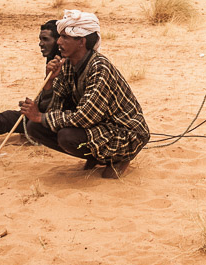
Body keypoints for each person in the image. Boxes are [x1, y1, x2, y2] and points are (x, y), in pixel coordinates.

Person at [20, 10, 149, 179]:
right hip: (99, 127)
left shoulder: (99, 67)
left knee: (66, 136)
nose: (58, 42)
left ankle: (120, 158)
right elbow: (54, 107)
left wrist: (41, 116)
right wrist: (50, 82)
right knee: (34, 127)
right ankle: (97, 156)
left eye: (65, 37)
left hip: (125, 132)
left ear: (81, 42)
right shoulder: (66, 65)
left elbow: (84, 117)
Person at [0, 19, 62, 137]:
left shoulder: (63, 64)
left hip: (55, 120)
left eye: (45, 39)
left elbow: (55, 104)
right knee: (6, 118)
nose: (40, 44)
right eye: (40, 39)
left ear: (58, 41)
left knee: (7, 118)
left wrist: (35, 110)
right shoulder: (52, 60)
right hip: (45, 115)